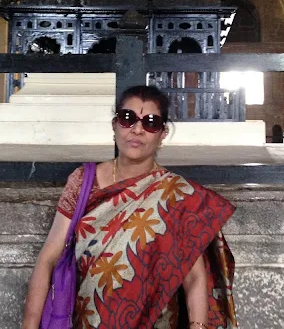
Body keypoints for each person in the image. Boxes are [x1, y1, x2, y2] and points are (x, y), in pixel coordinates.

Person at [22, 85, 238, 329]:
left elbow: (195, 278)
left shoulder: (176, 196)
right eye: (128, 118)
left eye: (151, 123)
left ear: (163, 133)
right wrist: (29, 324)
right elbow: (49, 257)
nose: (137, 129)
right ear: (115, 125)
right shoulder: (83, 181)